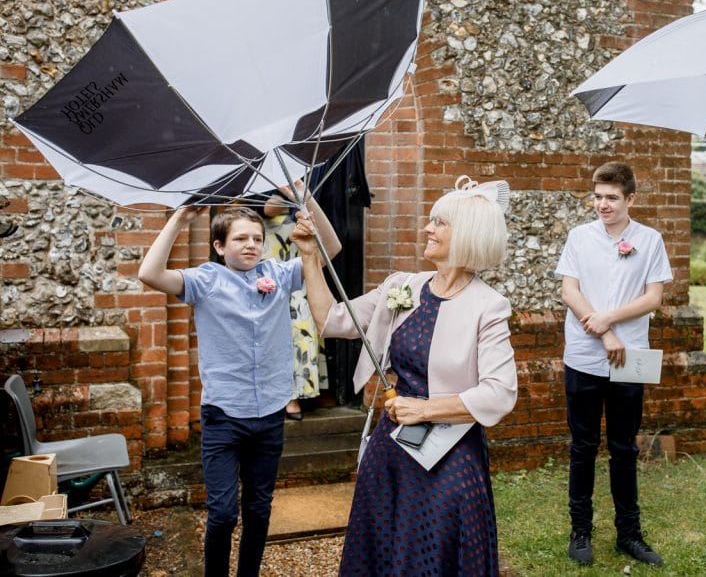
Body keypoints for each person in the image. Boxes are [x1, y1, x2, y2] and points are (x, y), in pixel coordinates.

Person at [292, 175, 518, 576]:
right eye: (430, 220)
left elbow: (500, 393)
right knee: (382, 547)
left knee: (429, 551)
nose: (427, 228)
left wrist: (426, 409)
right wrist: (311, 257)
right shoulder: (403, 287)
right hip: (391, 446)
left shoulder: (489, 306)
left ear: (466, 235)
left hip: (449, 454)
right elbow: (331, 319)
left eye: (439, 222)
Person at [139, 206, 305, 577]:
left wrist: (304, 198)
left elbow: (330, 248)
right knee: (224, 512)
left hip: (269, 416)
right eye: (241, 238)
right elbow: (148, 273)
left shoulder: (277, 274)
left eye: (257, 239)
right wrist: (179, 221)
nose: (251, 245)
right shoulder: (205, 280)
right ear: (218, 245)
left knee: (259, 509)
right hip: (224, 417)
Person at [555, 161, 672, 567]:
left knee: (624, 447)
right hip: (584, 355)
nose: (602, 205)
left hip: (631, 356)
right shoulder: (579, 236)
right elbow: (570, 290)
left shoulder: (650, 239)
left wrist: (612, 319)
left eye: (611, 198)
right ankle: (581, 531)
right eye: (598, 196)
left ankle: (629, 534)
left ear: (630, 199)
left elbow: (653, 297)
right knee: (583, 446)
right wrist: (602, 329)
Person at [258, 183, 342, 420]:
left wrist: (303, 195)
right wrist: (290, 197)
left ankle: (295, 395)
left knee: (301, 331)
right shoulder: (256, 188)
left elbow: (332, 247)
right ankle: (275, 395)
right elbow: (266, 208)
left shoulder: (304, 182)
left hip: (295, 267)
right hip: (267, 267)